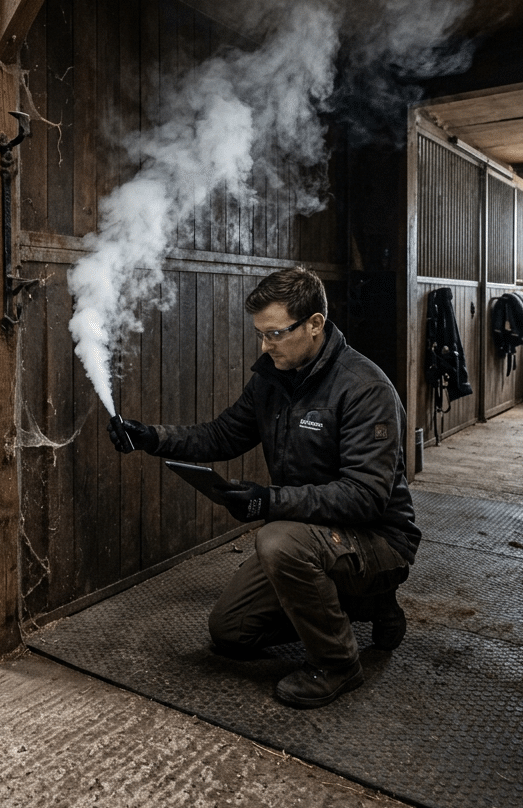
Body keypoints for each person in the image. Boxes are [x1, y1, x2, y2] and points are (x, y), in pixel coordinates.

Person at [108, 266, 419, 709]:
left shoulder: (365, 389)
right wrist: (151, 437)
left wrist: (268, 501)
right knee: (231, 632)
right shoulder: (274, 379)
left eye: (274, 334)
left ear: (314, 324)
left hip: (379, 539)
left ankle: (338, 662)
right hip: (310, 533)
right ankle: (361, 606)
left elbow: (364, 498)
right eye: (260, 334)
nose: (264, 345)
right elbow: (221, 436)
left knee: (277, 541)